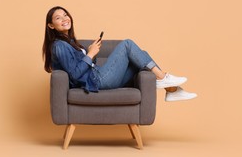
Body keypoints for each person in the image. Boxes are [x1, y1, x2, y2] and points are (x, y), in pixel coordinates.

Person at [42, 6, 197, 102]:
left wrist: (91, 53)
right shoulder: (59, 45)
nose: (64, 18)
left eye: (65, 15)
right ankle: (163, 78)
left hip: (97, 76)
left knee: (141, 56)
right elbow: (75, 74)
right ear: (51, 25)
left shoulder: (69, 42)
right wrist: (89, 54)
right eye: (58, 18)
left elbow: (80, 66)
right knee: (127, 44)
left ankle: (171, 91)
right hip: (97, 80)